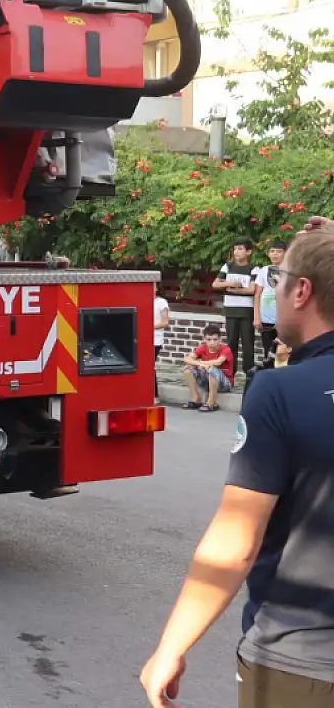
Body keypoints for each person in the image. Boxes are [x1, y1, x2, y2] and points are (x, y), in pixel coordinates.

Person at [141, 228, 334, 707]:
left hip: (303, 657)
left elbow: (235, 542)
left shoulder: (280, 392)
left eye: (279, 276)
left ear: (302, 291)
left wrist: (173, 644)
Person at [215, 239, 258, 382]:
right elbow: (215, 284)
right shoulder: (228, 266)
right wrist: (231, 284)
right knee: (231, 343)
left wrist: (230, 289)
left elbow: (252, 290)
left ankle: (249, 374)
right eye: (235, 249)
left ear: (248, 252)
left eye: (240, 249)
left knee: (248, 343)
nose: (236, 252)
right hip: (231, 310)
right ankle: (229, 374)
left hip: (246, 311)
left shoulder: (253, 268)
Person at [181, 324, 234, 412]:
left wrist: (201, 363)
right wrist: (200, 364)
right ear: (204, 339)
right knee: (188, 369)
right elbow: (187, 359)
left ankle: (211, 402)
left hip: (225, 384)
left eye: (215, 339)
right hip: (208, 382)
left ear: (220, 339)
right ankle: (196, 399)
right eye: (209, 339)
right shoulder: (203, 348)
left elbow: (218, 362)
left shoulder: (226, 349)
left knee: (212, 369)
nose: (212, 342)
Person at [253, 240, 286, 372]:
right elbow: (257, 294)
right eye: (272, 251)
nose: (275, 254)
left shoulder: (290, 270)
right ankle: (269, 375)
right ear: (268, 254)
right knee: (268, 349)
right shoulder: (263, 270)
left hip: (283, 318)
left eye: (279, 251)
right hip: (266, 317)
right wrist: (256, 317)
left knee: (282, 349)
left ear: (286, 253)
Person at [153, 290, 172, 399]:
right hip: (142, 337)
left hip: (156, 339)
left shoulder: (161, 302)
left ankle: (154, 395)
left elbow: (165, 322)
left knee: (150, 366)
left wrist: (149, 327)